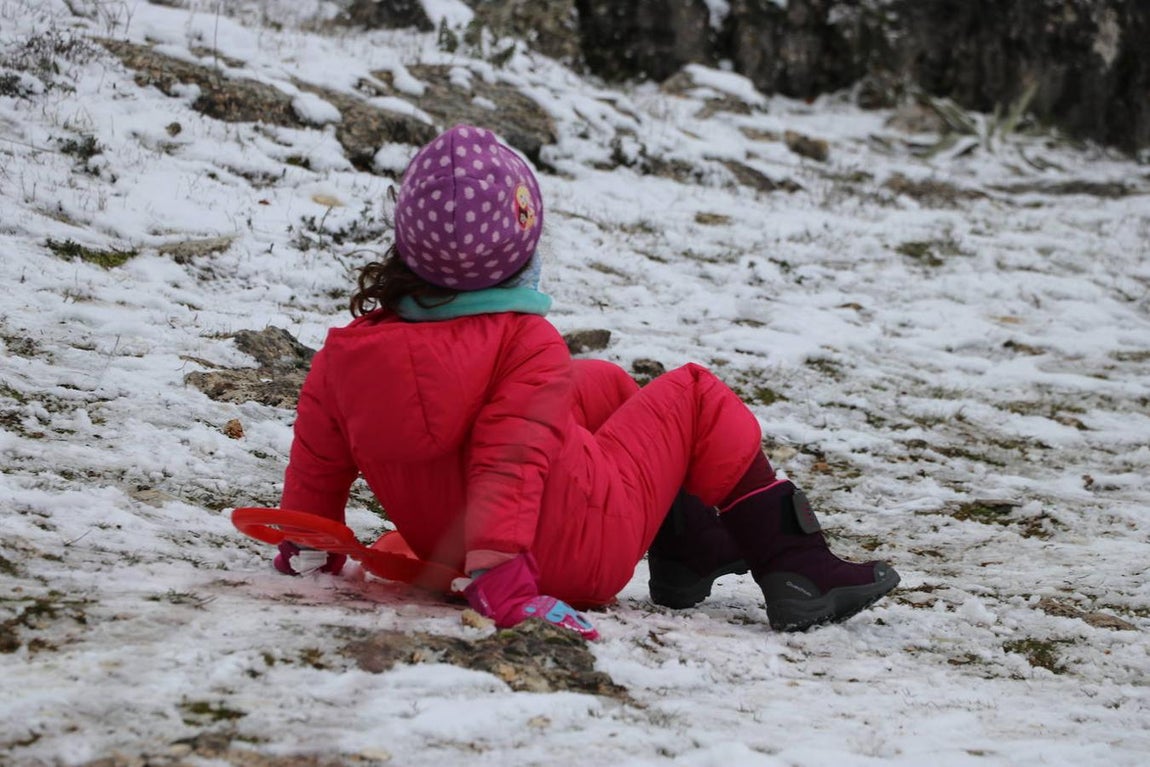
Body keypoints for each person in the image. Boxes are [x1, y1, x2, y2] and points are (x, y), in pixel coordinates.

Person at [273, 124, 899, 639]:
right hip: (561, 556)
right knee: (693, 395)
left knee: (599, 382)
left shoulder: (345, 354)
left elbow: (317, 465)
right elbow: (508, 463)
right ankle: (797, 566)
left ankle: (688, 550)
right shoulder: (522, 343)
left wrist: (305, 547)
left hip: (450, 545)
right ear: (519, 251)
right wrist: (503, 581)